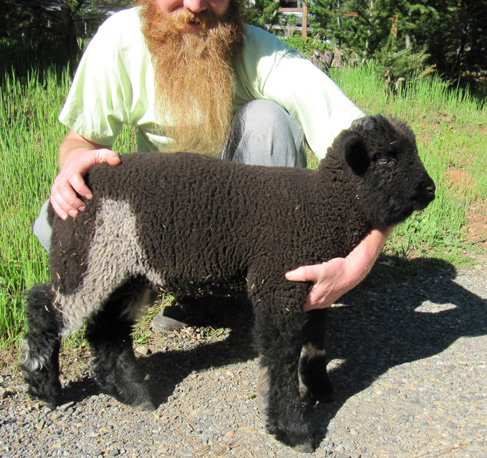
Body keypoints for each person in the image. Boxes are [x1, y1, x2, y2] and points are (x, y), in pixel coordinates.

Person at [34, 0, 392, 330]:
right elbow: (83, 142)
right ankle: (187, 290)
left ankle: (261, 289)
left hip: (249, 228)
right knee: (54, 226)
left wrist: (354, 266)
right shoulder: (119, 40)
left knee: (268, 122)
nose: (194, 6)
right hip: (170, 221)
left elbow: (376, 155)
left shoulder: (261, 52)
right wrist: (73, 160)